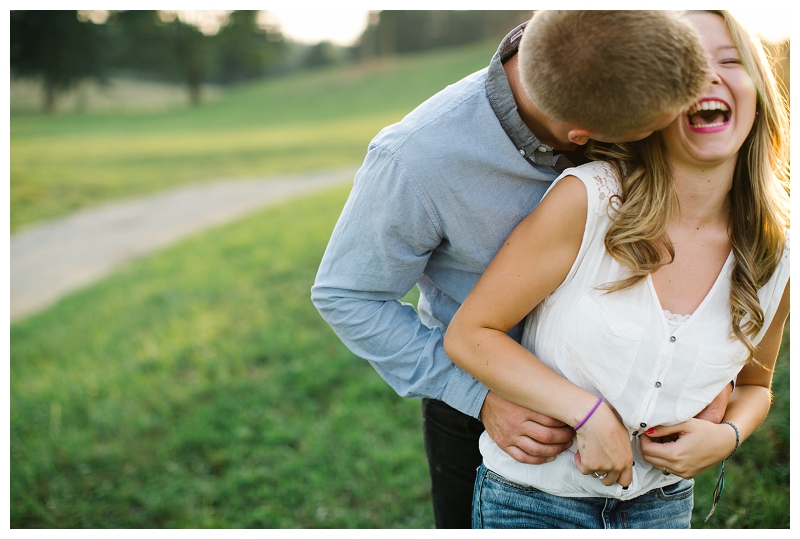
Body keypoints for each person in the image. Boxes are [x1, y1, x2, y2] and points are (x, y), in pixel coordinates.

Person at [311, 11, 716, 529]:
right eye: (650, 132)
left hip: (637, 414)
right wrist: (478, 396)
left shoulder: (625, 65)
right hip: (494, 415)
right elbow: (347, 295)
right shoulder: (416, 159)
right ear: (581, 136)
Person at [443, 10, 790, 529]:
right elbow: (471, 335)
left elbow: (756, 385)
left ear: (759, 89)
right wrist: (587, 413)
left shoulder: (778, 247)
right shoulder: (590, 200)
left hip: (664, 507)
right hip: (533, 504)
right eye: (691, 66)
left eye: (731, 60)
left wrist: (728, 436)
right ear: (652, 103)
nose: (712, 77)